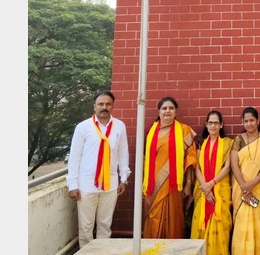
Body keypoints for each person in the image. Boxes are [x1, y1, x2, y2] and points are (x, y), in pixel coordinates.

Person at [66, 90, 131, 248]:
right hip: (86, 184)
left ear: (112, 106)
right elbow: (74, 158)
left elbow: (123, 153)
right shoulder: (83, 127)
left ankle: (103, 252)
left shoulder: (119, 126)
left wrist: (124, 178)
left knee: (105, 224)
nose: (104, 107)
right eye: (101, 104)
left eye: (108, 104)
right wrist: (72, 184)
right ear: (94, 106)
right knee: (86, 226)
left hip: (111, 184)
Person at [142, 96, 198, 239]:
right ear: (158, 111)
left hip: (175, 184)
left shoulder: (184, 130)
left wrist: (188, 184)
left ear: (176, 112)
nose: (167, 111)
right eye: (164, 108)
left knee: (174, 218)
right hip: (153, 185)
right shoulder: (151, 133)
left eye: (171, 108)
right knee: (154, 215)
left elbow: (191, 159)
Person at [230, 106, 260, 255]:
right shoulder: (238, 139)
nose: (249, 123)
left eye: (252, 120)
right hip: (241, 188)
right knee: (242, 220)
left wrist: (253, 183)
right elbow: (234, 164)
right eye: (246, 121)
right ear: (242, 122)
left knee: (259, 221)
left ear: (258, 121)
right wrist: (245, 187)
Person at [191, 110, 234, 255]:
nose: (213, 126)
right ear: (206, 124)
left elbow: (227, 167)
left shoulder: (228, 144)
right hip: (203, 190)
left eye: (216, 123)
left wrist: (211, 184)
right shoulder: (200, 144)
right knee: (200, 224)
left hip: (220, 189)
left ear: (221, 125)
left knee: (221, 225)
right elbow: (197, 168)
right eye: (210, 123)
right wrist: (206, 187)